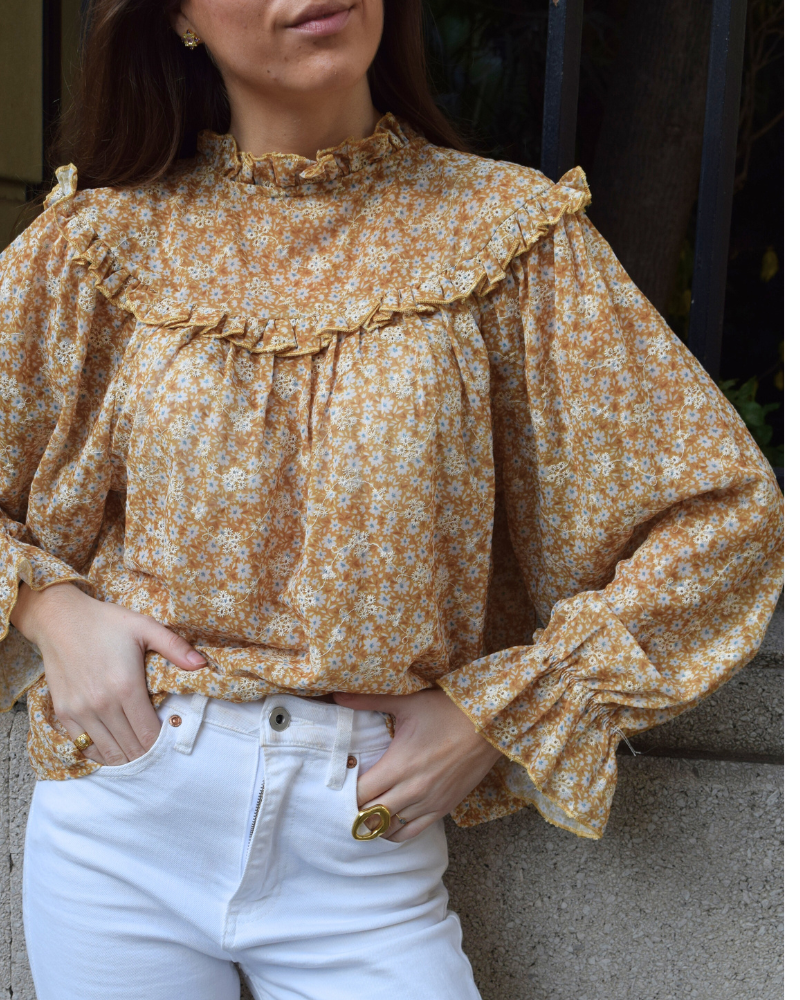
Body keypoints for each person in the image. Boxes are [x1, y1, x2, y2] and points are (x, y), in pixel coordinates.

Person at [0, 1, 783, 998]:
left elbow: (726, 516)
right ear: (181, 18)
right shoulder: (102, 242)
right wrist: (50, 610)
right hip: (122, 820)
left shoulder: (504, 235)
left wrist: (496, 714)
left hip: (362, 838)